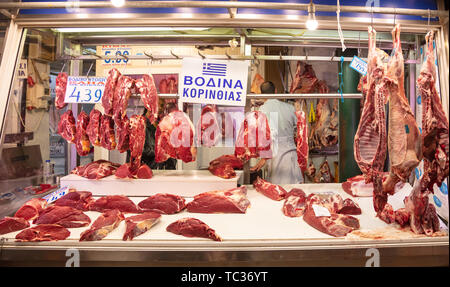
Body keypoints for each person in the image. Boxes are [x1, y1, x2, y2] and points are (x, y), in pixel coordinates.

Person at [250, 81, 303, 184]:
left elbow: (266, 137)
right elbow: (299, 129)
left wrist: (263, 159)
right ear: (275, 91)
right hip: (290, 154)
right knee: (294, 192)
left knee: (277, 192)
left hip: (273, 157)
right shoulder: (290, 108)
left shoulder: (262, 110)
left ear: (262, 94)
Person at [126, 102, 178, 170]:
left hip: (164, 172)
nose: (160, 108)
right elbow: (138, 150)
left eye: (162, 105)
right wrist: (165, 152)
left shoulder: (162, 124)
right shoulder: (139, 125)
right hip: (145, 172)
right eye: (158, 105)